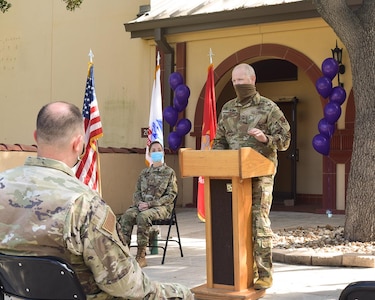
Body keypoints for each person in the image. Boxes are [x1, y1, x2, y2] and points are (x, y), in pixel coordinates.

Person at [0, 101, 193, 300]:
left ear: (35, 137)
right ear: (78, 143)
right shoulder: (85, 204)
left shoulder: (2, 185)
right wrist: (180, 292)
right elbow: (126, 285)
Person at [212, 63, 291, 290]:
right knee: (234, 224)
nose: (238, 85)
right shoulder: (227, 108)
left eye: (242, 81)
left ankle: (265, 273)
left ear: (252, 80)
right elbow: (219, 141)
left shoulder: (269, 108)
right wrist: (216, 161)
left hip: (260, 173)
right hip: (233, 175)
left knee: (258, 222)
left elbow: (285, 140)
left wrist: (266, 139)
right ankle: (241, 271)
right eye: (235, 82)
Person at [119, 141, 177, 268]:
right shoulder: (144, 173)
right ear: (150, 154)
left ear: (162, 152)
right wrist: (139, 203)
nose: (156, 152)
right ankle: (124, 254)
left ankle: (141, 255)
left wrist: (150, 204)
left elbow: (171, 196)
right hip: (142, 206)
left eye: (159, 149)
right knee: (127, 215)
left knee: (143, 217)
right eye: (154, 150)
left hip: (161, 208)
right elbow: (137, 192)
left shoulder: (169, 172)